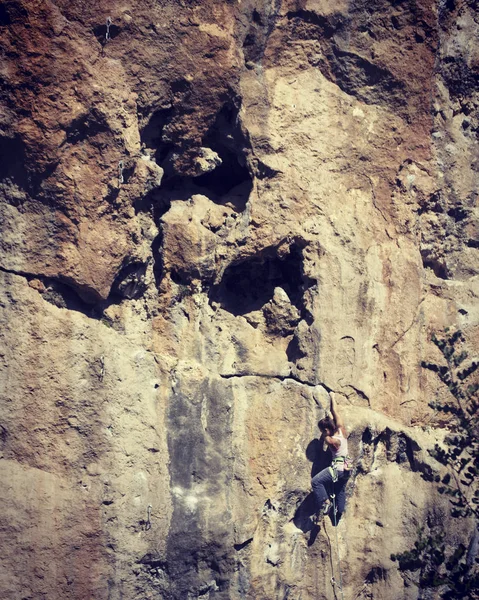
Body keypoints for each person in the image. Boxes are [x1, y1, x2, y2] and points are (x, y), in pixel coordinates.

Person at [311, 392, 351, 523]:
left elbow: (325, 440)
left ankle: (326, 502)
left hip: (337, 469)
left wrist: (324, 434)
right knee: (340, 489)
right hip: (346, 469)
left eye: (323, 430)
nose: (322, 433)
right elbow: (335, 411)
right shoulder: (341, 430)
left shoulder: (332, 441)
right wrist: (332, 397)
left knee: (316, 482)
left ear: (327, 430)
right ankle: (339, 511)